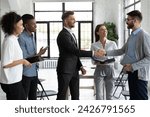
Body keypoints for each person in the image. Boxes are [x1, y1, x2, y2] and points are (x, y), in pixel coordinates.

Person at [100, 10, 150, 100]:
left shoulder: (144, 36)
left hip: (139, 74)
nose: (126, 21)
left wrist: (133, 66)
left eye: (128, 19)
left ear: (134, 21)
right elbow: (122, 50)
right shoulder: (132, 36)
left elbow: (149, 58)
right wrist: (106, 52)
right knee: (134, 99)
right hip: (131, 72)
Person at [56, 11, 101, 100]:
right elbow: (75, 51)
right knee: (62, 95)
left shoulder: (71, 34)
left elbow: (74, 54)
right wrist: (93, 53)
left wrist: (80, 66)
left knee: (76, 95)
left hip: (74, 70)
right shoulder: (63, 35)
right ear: (65, 21)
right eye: (72, 19)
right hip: (65, 70)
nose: (75, 21)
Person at [0, 12, 31, 100]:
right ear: (13, 25)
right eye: (21, 24)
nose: (23, 27)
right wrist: (23, 61)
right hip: (11, 82)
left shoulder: (13, 39)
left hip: (13, 80)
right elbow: (6, 64)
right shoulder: (10, 40)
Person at [18, 14, 47, 100]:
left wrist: (39, 54)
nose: (36, 26)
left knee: (33, 98)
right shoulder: (21, 38)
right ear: (26, 25)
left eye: (36, 23)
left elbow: (32, 56)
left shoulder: (32, 36)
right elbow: (25, 59)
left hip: (34, 72)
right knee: (24, 98)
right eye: (33, 24)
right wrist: (38, 54)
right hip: (26, 74)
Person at [91, 24, 117, 100]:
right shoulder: (94, 45)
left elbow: (117, 57)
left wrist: (110, 60)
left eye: (105, 29)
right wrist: (96, 62)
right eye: (102, 29)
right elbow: (92, 60)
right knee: (99, 95)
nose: (105, 31)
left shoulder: (113, 43)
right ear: (97, 33)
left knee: (110, 95)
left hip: (110, 69)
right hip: (99, 69)